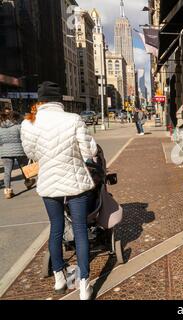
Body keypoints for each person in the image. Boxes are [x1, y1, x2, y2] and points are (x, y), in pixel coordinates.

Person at [21, 81, 97, 300]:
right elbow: (89, 151)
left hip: (48, 183)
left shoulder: (29, 123)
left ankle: (59, 279)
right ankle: (84, 285)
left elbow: (31, 153)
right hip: (75, 181)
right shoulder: (73, 119)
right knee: (81, 230)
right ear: (60, 99)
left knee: (56, 228)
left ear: (40, 100)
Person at [0, 105, 35, 199]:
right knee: (23, 167)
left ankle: (7, 190)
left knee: (7, 171)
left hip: (5, 152)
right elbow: (23, 138)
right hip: (19, 150)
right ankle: (28, 181)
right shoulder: (18, 126)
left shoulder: (0, 128)